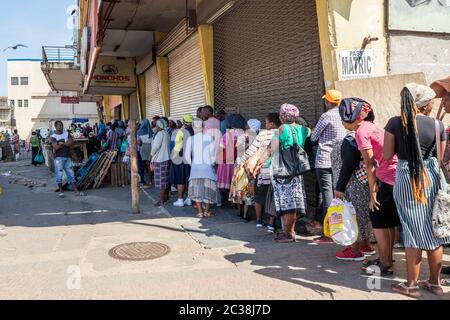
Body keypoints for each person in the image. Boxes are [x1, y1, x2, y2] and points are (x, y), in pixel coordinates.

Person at [385, 84, 450, 298]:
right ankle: (435, 283)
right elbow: (439, 158)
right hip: (430, 176)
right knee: (433, 230)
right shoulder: (438, 124)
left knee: (412, 230)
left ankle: (411, 286)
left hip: (406, 177)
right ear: (425, 104)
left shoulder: (395, 123)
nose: (434, 104)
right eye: (432, 100)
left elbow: (387, 155)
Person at [339, 97, 400, 275]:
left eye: (344, 119)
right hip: (395, 177)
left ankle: (385, 264)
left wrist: (373, 191)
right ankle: (386, 259)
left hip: (387, 179)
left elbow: (370, 164)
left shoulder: (360, 132)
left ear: (355, 118)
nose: (343, 122)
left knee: (379, 221)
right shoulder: (374, 126)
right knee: (388, 222)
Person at [332, 98, 377, 261]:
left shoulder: (351, 138)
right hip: (368, 182)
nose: (343, 121)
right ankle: (365, 245)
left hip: (354, 185)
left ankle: (355, 250)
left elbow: (348, 166)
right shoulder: (372, 130)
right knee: (364, 215)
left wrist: (339, 187)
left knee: (354, 216)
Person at [309, 90, 347, 244]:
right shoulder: (345, 115)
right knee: (336, 194)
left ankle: (330, 232)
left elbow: (314, 137)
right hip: (340, 160)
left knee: (327, 196)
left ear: (328, 102)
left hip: (324, 159)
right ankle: (339, 228)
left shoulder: (326, 116)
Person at [271, 104, 311, 243]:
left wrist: (259, 164)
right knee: (294, 201)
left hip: (283, 171)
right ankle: (290, 231)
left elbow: (272, 150)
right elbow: (310, 133)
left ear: (282, 116)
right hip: (297, 172)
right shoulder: (304, 130)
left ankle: (288, 233)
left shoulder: (281, 129)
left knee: (287, 204)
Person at [238, 113, 280, 231]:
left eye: (266, 122)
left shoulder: (263, 134)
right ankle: (271, 224)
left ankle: (259, 220)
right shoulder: (280, 133)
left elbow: (251, 150)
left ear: (271, 124)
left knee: (259, 197)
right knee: (273, 198)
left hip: (262, 171)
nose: (265, 124)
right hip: (277, 172)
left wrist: (242, 162)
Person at [186, 119, 219, 218]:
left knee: (196, 190)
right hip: (207, 168)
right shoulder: (209, 138)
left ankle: (200, 212)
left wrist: (192, 165)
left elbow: (187, 156)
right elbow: (213, 155)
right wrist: (211, 163)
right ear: (203, 127)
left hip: (195, 168)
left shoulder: (190, 139)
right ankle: (207, 211)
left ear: (193, 127)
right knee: (209, 189)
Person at [217, 114, 246, 207]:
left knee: (225, 182)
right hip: (238, 161)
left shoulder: (227, 134)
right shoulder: (244, 134)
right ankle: (234, 202)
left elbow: (221, 148)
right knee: (234, 182)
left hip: (226, 162)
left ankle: (226, 201)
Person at [50, 121, 84, 197]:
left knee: (71, 174)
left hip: (67, 156)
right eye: (59, 125)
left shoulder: (66, 133)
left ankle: (76, 191)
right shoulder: (53, 136)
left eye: (62, 125)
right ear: (56, 127)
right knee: (59, 175)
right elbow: (56, 147)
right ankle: (61, 192)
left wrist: (61, 143)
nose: (61, 127)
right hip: (58, 158)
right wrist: (65, 144)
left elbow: (71, 142)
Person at [170, 115, 194, 207]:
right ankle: (189, 198)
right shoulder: (196, 131)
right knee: (189, 178)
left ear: (184, 122)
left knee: (180, 179)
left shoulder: (181, 132)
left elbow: (177, 147)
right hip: (191, 158)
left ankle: (180, 199)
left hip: (180, 158)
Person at [150, 119, 171, 206]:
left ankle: (161, 200)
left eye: (157, 125)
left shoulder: (159, 134)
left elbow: (155, 147)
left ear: (159, 126)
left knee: (160, 180)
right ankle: (165, 198)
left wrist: (151, 155)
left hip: (160, 160)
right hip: (166, 159)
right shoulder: (166, 133)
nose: (155, 127)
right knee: (165, 179)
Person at [137, 119, 153, 188]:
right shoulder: (151, 131)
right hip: (149, 148)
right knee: (148, 165)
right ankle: (150, 180)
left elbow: (139, 142)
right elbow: (153, 141)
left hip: (142, 148)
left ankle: (142, 179)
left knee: (141, 165)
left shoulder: (139, 132)